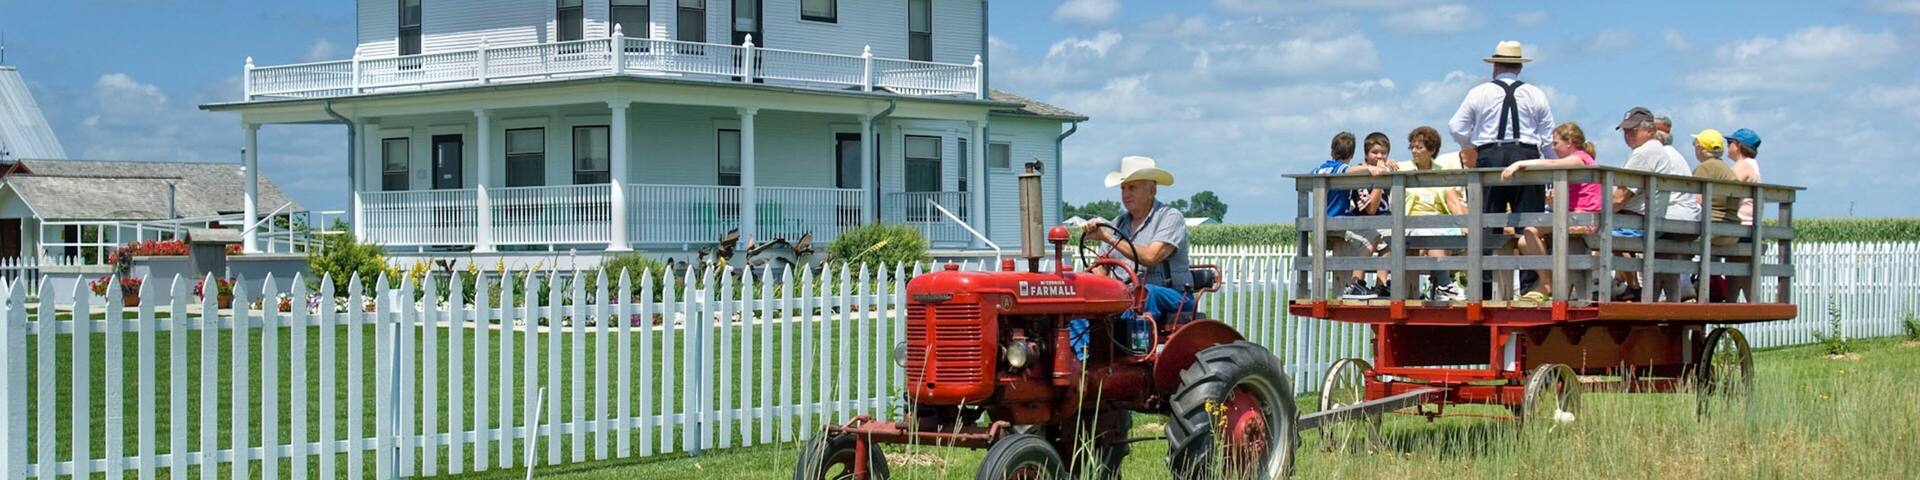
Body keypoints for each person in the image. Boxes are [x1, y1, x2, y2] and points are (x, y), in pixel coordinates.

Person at [1448, 40, 1556, 298]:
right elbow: (1548, 137)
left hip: (1490, 155)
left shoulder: (1479, 92)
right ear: (1519, 67)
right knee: (1528, 223)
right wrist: (1549, 166)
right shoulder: (1535, 93)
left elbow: (1456, 127)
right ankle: (1532, 287)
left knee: (1486, 222)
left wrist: (1470, 147)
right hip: (1527, 155)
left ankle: (1486, 287)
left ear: (1495, 65)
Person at [1082, 155, 1196, 328]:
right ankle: (1081, 351)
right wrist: (1086, 279)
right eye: (1123, 188)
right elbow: (1102, 270)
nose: (1126, 194)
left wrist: (1107, 238)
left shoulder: (1170, 217)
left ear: (1152, 191)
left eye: (1132, 188)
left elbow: (1151, 257)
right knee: (1079, 303)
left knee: (1146, 292)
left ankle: (1131, 346)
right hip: (1126, 295)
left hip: (1174, 295)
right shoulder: (1117, 223)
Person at [1499, 122, 1603, 302]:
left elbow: (1552, 163)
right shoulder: (1580, 161)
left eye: (1556, 143)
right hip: (1572, 216)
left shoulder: (1579, 158)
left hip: (1583, 219)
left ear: (1569, 142)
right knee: (1524, 242)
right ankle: (1549, 281)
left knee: (1531, 230)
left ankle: (1547, 283)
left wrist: (1519, 164)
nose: (1553, 148)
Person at [1612, 107, 1702, 300]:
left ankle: (1620, 286)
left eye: (1633, 130)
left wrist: (1593, 211)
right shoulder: (1656, 151)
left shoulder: (1645, 153)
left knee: (1581, 233)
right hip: (1658, 219)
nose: (1627, 135)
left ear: (1650, 130)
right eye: (1625, 131)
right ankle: (1636, 288)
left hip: (1642, 221)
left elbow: (1619, 199)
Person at [1310, 132, 1393, 299]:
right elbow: (1347, 170)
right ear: (1352, 155)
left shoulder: (1320, 168)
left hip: (1322, 220)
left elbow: (1312, 173)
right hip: (1337, 221)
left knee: (1375, 236)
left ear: (1331, 150)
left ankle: (1368, 284)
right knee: (1373, 236)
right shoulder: (1341, 168)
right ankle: (1355, 282)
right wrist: (1370, 168)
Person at [1400, 126, 1468, 302]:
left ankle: (1456, 282)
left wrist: (1464, 225)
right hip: (1411, 221)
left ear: (1431, 150)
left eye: (1419, 147)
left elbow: (1452, 200)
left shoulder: (1440, 171)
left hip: (1439, 221)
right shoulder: (1403, 168)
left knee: (1468, 236)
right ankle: (1444, 285)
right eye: (1412, 147)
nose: (1414, 151)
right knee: (1433, 235)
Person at [1689, 129, 1740, 302]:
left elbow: (1696, 201)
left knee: (1670, 241)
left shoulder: (1705, 168)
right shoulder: (1726, 169)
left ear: (1701, 149)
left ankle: (1682, 288)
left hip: (1712, 230)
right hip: (1732, 230)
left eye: (1695, 145)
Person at [1356, 132, 1401, 297]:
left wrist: (1389, 167)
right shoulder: (1361, 172)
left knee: (1392, 236)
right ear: (1366, 154)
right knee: (1384, 235)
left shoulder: (1387, 167)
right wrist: (1379, 181)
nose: (1379, 157)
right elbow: (1371, 209)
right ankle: (1357, 283)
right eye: (1375, 153)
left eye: (1383, 153)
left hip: (1385, 221)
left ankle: (1380, 285)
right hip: (1364, 221)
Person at [1726, 128, 1764, 302]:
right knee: (1740, 276)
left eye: (1730, 143)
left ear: (1738, 145)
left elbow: (1724, 190)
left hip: (1741, 227)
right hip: (1749, 227)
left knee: (1736, 274)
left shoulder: (1743, 166)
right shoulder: (1752, 165)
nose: (1728, 147)